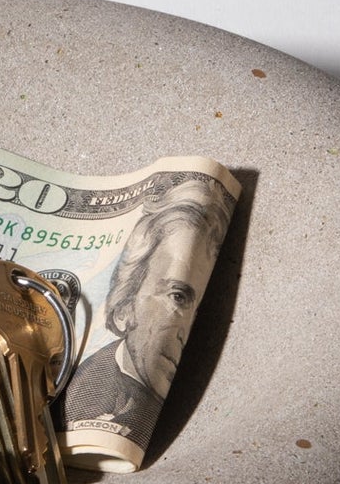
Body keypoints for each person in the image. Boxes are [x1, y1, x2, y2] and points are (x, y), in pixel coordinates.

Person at [63, 176, 235, 455]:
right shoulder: (85, 395)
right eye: (178, 296)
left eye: (200, 306)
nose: (188, 329)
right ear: (125, 305)